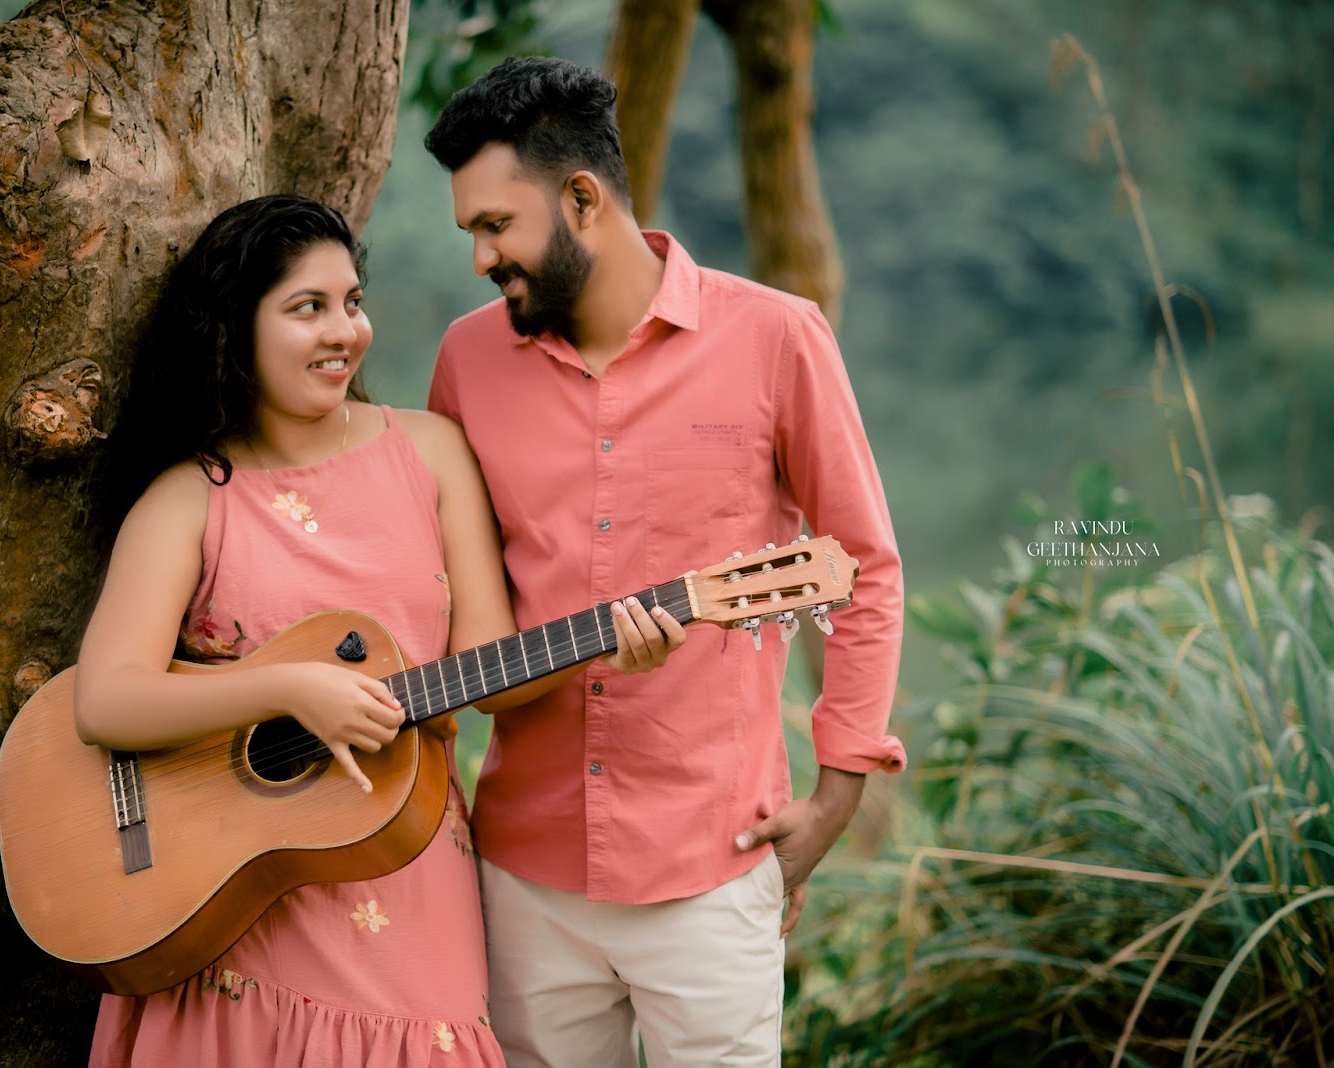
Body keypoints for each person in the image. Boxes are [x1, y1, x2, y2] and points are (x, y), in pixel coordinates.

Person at [74, 193, 681, 1066]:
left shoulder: (431, 452)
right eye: (307, 308)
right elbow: (105, 700)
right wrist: (290, 689)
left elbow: (485, 669)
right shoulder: (189, 500)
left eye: (351, 302)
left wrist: (611, 646)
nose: (344, 332)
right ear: (233, 330)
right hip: (235, 897)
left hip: (408, 865)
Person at [423, 57, 908, 1067]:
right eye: (470, 230)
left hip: (711, 863)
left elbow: (864, 569)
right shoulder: (466, 361)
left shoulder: (776, 336)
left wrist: (839, 789)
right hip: (523, 871)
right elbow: (442, 592)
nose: (479, 258)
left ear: (582, 200)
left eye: (495, 225)